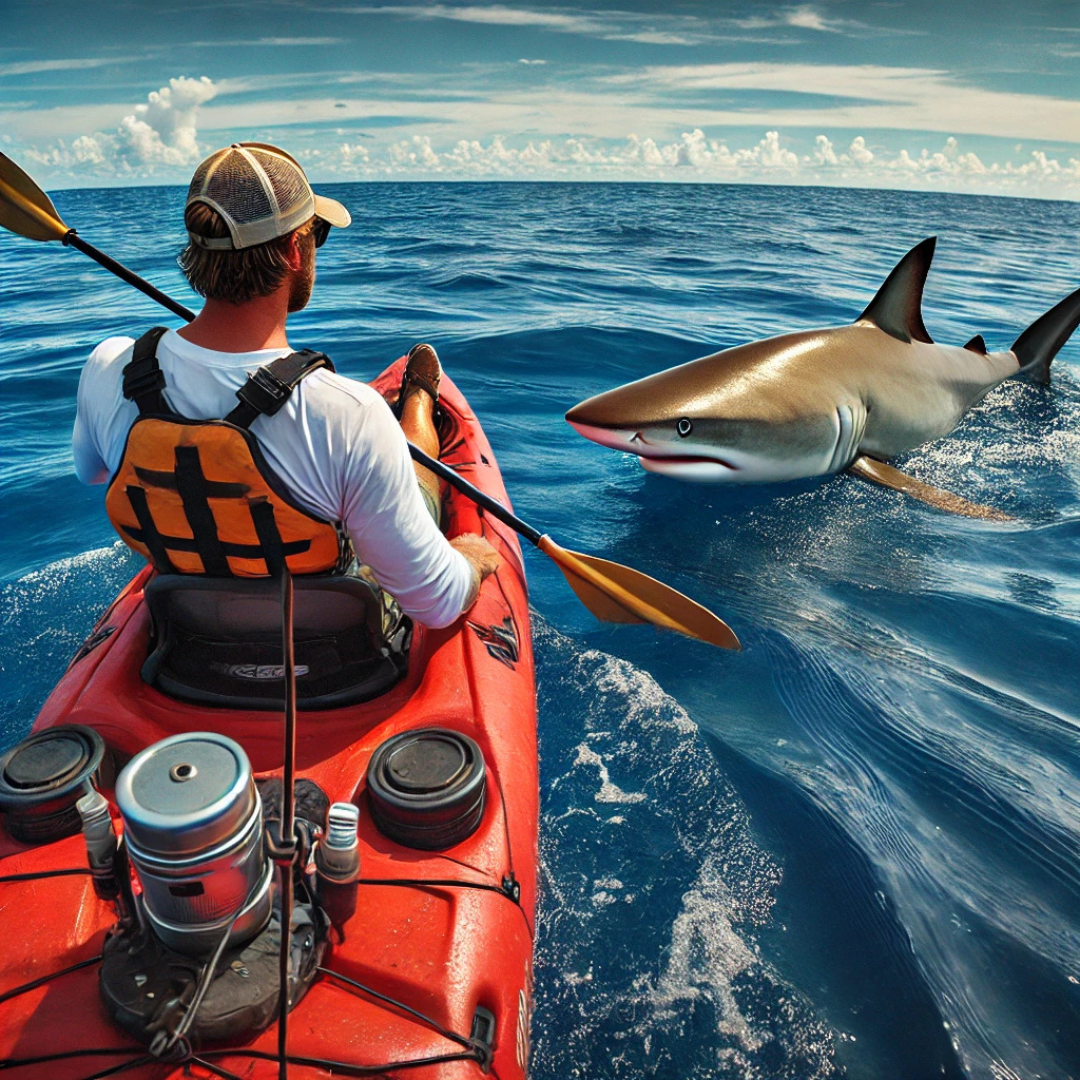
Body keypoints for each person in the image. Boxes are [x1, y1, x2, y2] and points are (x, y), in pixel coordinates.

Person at [72, 142, 499, 629]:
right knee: (411, 466)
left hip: (189, 642)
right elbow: (436, 604)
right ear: (295, 249)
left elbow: (91, 472)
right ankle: (416, 406)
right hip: (324, 652)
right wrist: (471, 558)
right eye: (318, 235)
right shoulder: (350, 414)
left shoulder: (109, 368)